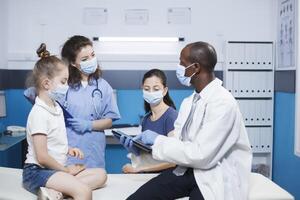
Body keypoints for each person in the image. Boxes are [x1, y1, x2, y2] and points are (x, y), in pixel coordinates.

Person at [123, 42, 252, 200]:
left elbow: (201, 155)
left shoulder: (223, 103)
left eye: (182, 63)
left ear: (195, 68)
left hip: (215, 175)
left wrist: (156, 140)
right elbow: (176, 145)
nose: (179, 67)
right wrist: (143, 152)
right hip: (189, 170)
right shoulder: (189, 102)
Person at [22, 44, 107, 200]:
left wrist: (68, 149)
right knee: (84, 192)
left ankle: (56, 193)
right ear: (46, 84)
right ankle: (60, 188)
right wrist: (65, 171)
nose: (66, 87)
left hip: (53, 170)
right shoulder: (39, 113)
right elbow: (42, 156)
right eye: (63, 82)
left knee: (101, 175)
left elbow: (52, 140)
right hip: (37, 171)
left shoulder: (56, 108)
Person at [121, 69, 178, 173]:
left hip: (166, 177)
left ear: (164, 91)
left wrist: (138, 169)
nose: (151, 92)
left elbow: (174, 161)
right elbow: (148, 153)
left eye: (156, 89)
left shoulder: (171, 117)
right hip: (148, 175)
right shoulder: (146, 120)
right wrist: (135, 150)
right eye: (147, 89)